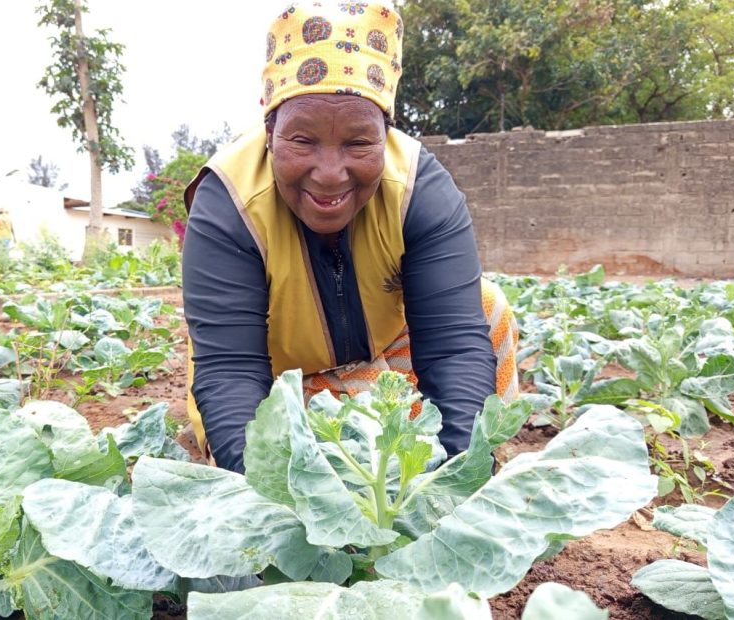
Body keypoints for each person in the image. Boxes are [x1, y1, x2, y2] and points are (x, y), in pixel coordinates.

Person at [182, 1, 518, 474]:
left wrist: (458, 482)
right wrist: (260, 491)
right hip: (277, 392)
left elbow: (454, 346)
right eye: (302, 141)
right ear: (270, 129)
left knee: (488, 308)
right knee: (326, 457)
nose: (329, 174)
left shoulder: (419, 188)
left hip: (376, 364)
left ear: (386, 132)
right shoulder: (229, 201)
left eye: (359, 143)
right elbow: (230, 370)